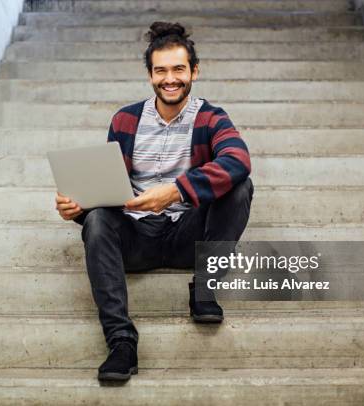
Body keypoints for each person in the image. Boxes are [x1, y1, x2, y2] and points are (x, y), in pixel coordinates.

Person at [55, 21, 253, 382]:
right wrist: (78, 209)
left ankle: (204, 287)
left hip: (188, 236)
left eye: (178, 69)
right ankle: (121, 342)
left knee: (240, 186)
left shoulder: (211, 117)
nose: (170, 79)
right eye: (160, 70)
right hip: (137, 237)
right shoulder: (125, 119)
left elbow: (238, 160)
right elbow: (106, 192)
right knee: (97, 221)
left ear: (194, 70)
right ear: (150, 75)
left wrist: (177, 190)